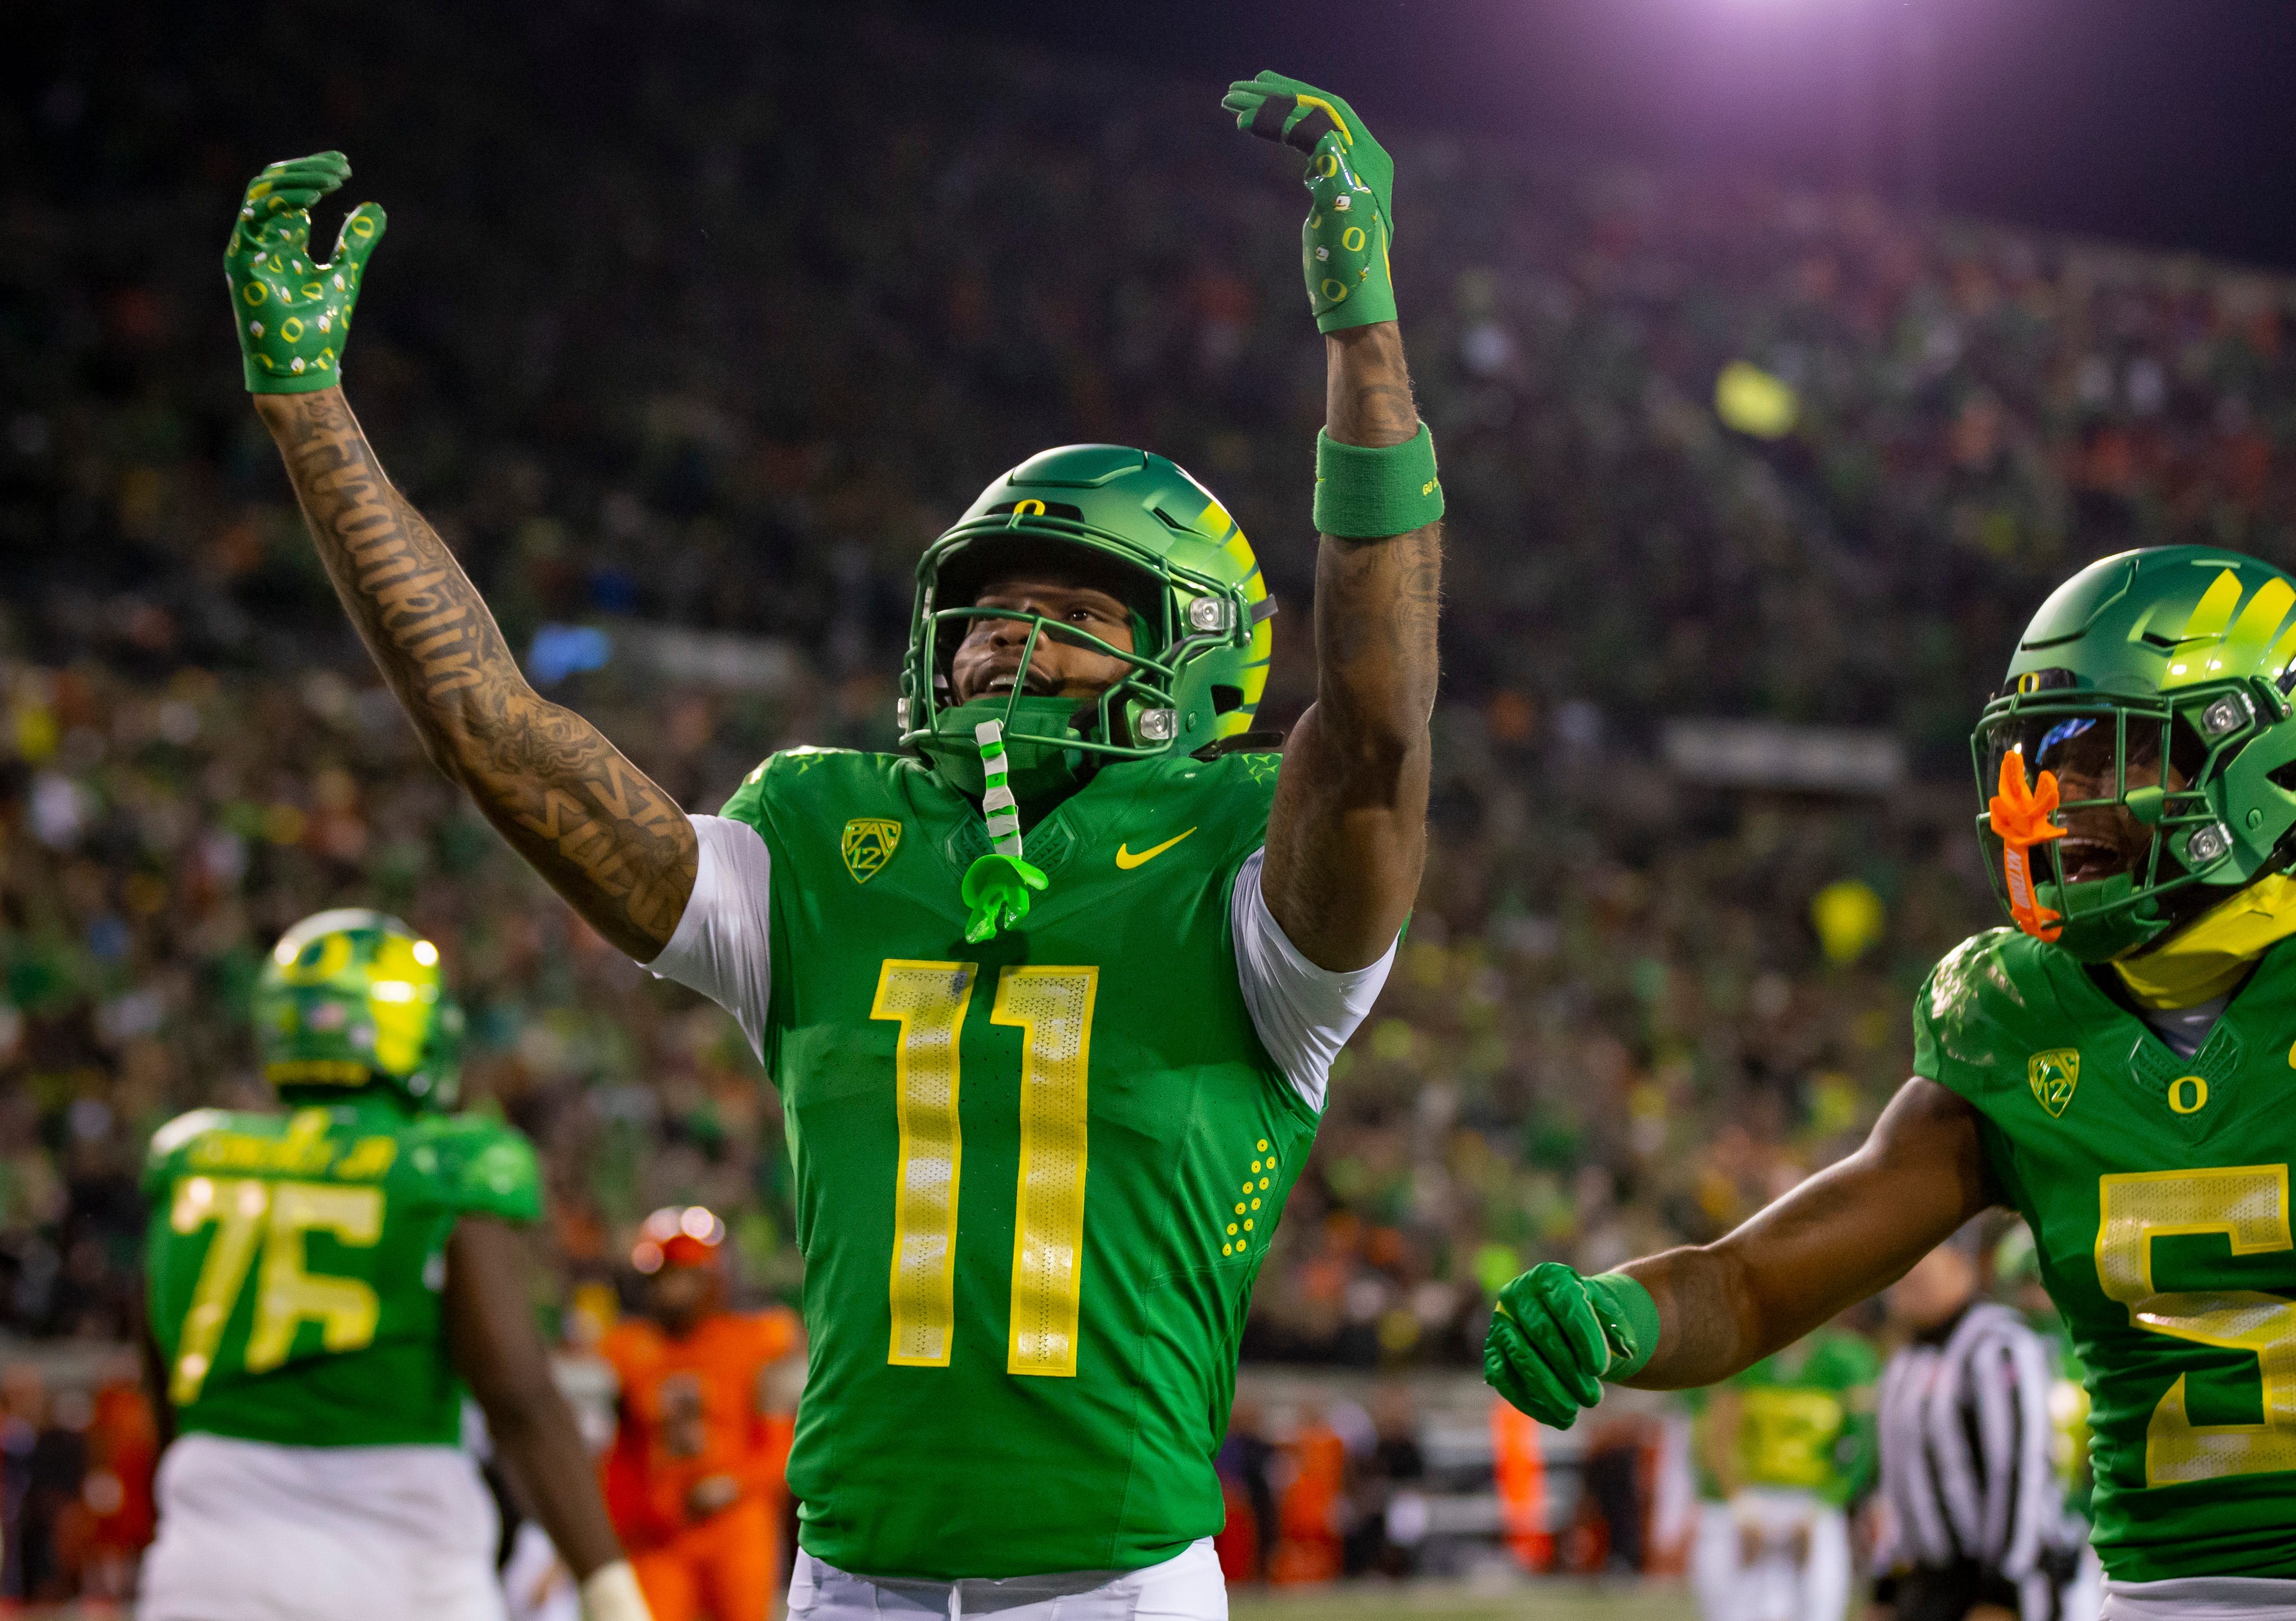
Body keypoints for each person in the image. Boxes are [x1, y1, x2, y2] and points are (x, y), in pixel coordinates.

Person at [225, 65, 1437, 1620]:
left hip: (1109, 1588)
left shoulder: (1241, 865)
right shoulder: (820, 831)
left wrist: (1361, 334)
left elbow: (1379, 727)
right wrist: (310, 415)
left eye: (1071, 614)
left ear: (1198, 657)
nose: (1008, 640)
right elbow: (503, 737)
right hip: (837, 1580)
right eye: (987, 606)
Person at [1485, 546, 2296, 1617]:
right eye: (2045, 757)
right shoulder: (2019, 1015)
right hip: (2154, 1595)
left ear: (2266, 760)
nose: (2052, 803)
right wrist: (1614, 1315)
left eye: (2103, 756)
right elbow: (1749, 1286)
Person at [135, 910, 648, 1621]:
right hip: (397, 1562)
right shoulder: (444, 1166)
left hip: (209, 1563)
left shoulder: (194, 1165)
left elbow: (167, 1377)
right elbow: (516, 1394)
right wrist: (605, 1581)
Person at [1871, 1226, 2088, 1621]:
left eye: (1917, 1266)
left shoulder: (1998, 1344)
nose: (1902, 1279)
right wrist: (1885, 1583)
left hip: (1999, 1583)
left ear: (1959, 1264)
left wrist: (2002, 1592)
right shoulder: (1906, 1358)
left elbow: (2021, 1469)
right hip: (1929, 1581)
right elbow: (1898, 1480)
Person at [598, 1206, 799, 1621]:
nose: (675, 1289)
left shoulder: (757, 1340)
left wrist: (735, 1482)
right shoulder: (625, 1348)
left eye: (686, 1274)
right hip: (660, 1530)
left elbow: (786, 1446)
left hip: (735, 1520)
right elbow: (619, 1455)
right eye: (666, 1275)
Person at [1686, 1324, 1875, 1621]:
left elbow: (1859, 1449)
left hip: (1816, 1499)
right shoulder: (1743, 1351)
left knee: (1821, 1603)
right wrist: (1740, 1507)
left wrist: (1820, 1510)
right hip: (1745, 1499)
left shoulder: (1847, 1359)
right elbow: (1717, 1440)